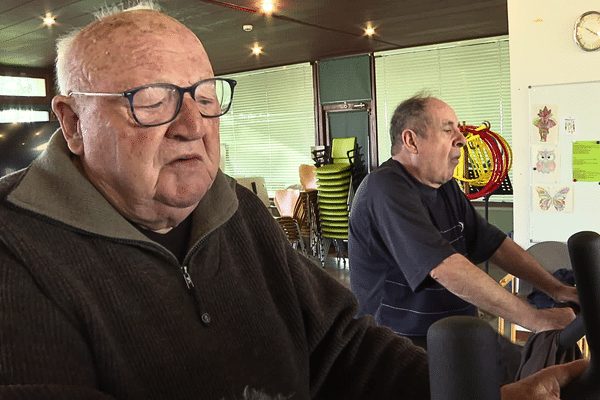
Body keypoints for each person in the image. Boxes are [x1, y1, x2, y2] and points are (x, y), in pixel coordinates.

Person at [0, 3, 586, 399]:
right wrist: (534, 316)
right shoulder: (16, 254)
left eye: (205, 97)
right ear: (73, 123)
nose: (191, 125)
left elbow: (342, 346)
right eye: (152, 100)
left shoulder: (237, 212)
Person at [348, 94, 578, 350]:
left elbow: (494, 244)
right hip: (401, 346)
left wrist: (556, 289)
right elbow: (444, 267)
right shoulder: (385, 187)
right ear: (411, 141)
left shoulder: (443, 186)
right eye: (448, 131)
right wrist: (535, 319)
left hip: (457, 332)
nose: (462, 139)